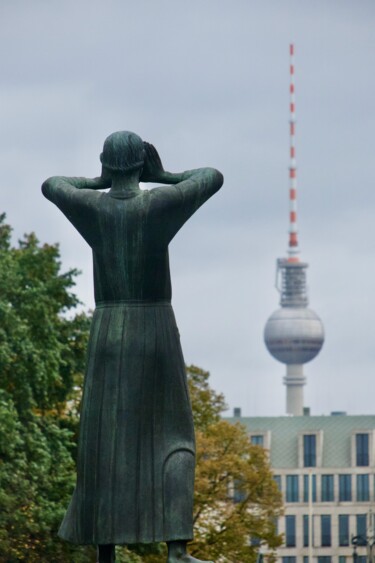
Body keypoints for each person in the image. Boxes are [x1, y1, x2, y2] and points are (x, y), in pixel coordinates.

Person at [42, 131, 223, 563]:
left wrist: (100, 181)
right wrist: (162, 174)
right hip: (155, 326)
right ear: (142, 163)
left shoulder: (93, 208)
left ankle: (106, 549)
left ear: (107, 164)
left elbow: (52, 184)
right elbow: (211, 176)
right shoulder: (158, 205)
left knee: (106, 442)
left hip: (108, 332)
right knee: (173, 436)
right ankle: (176, 547)